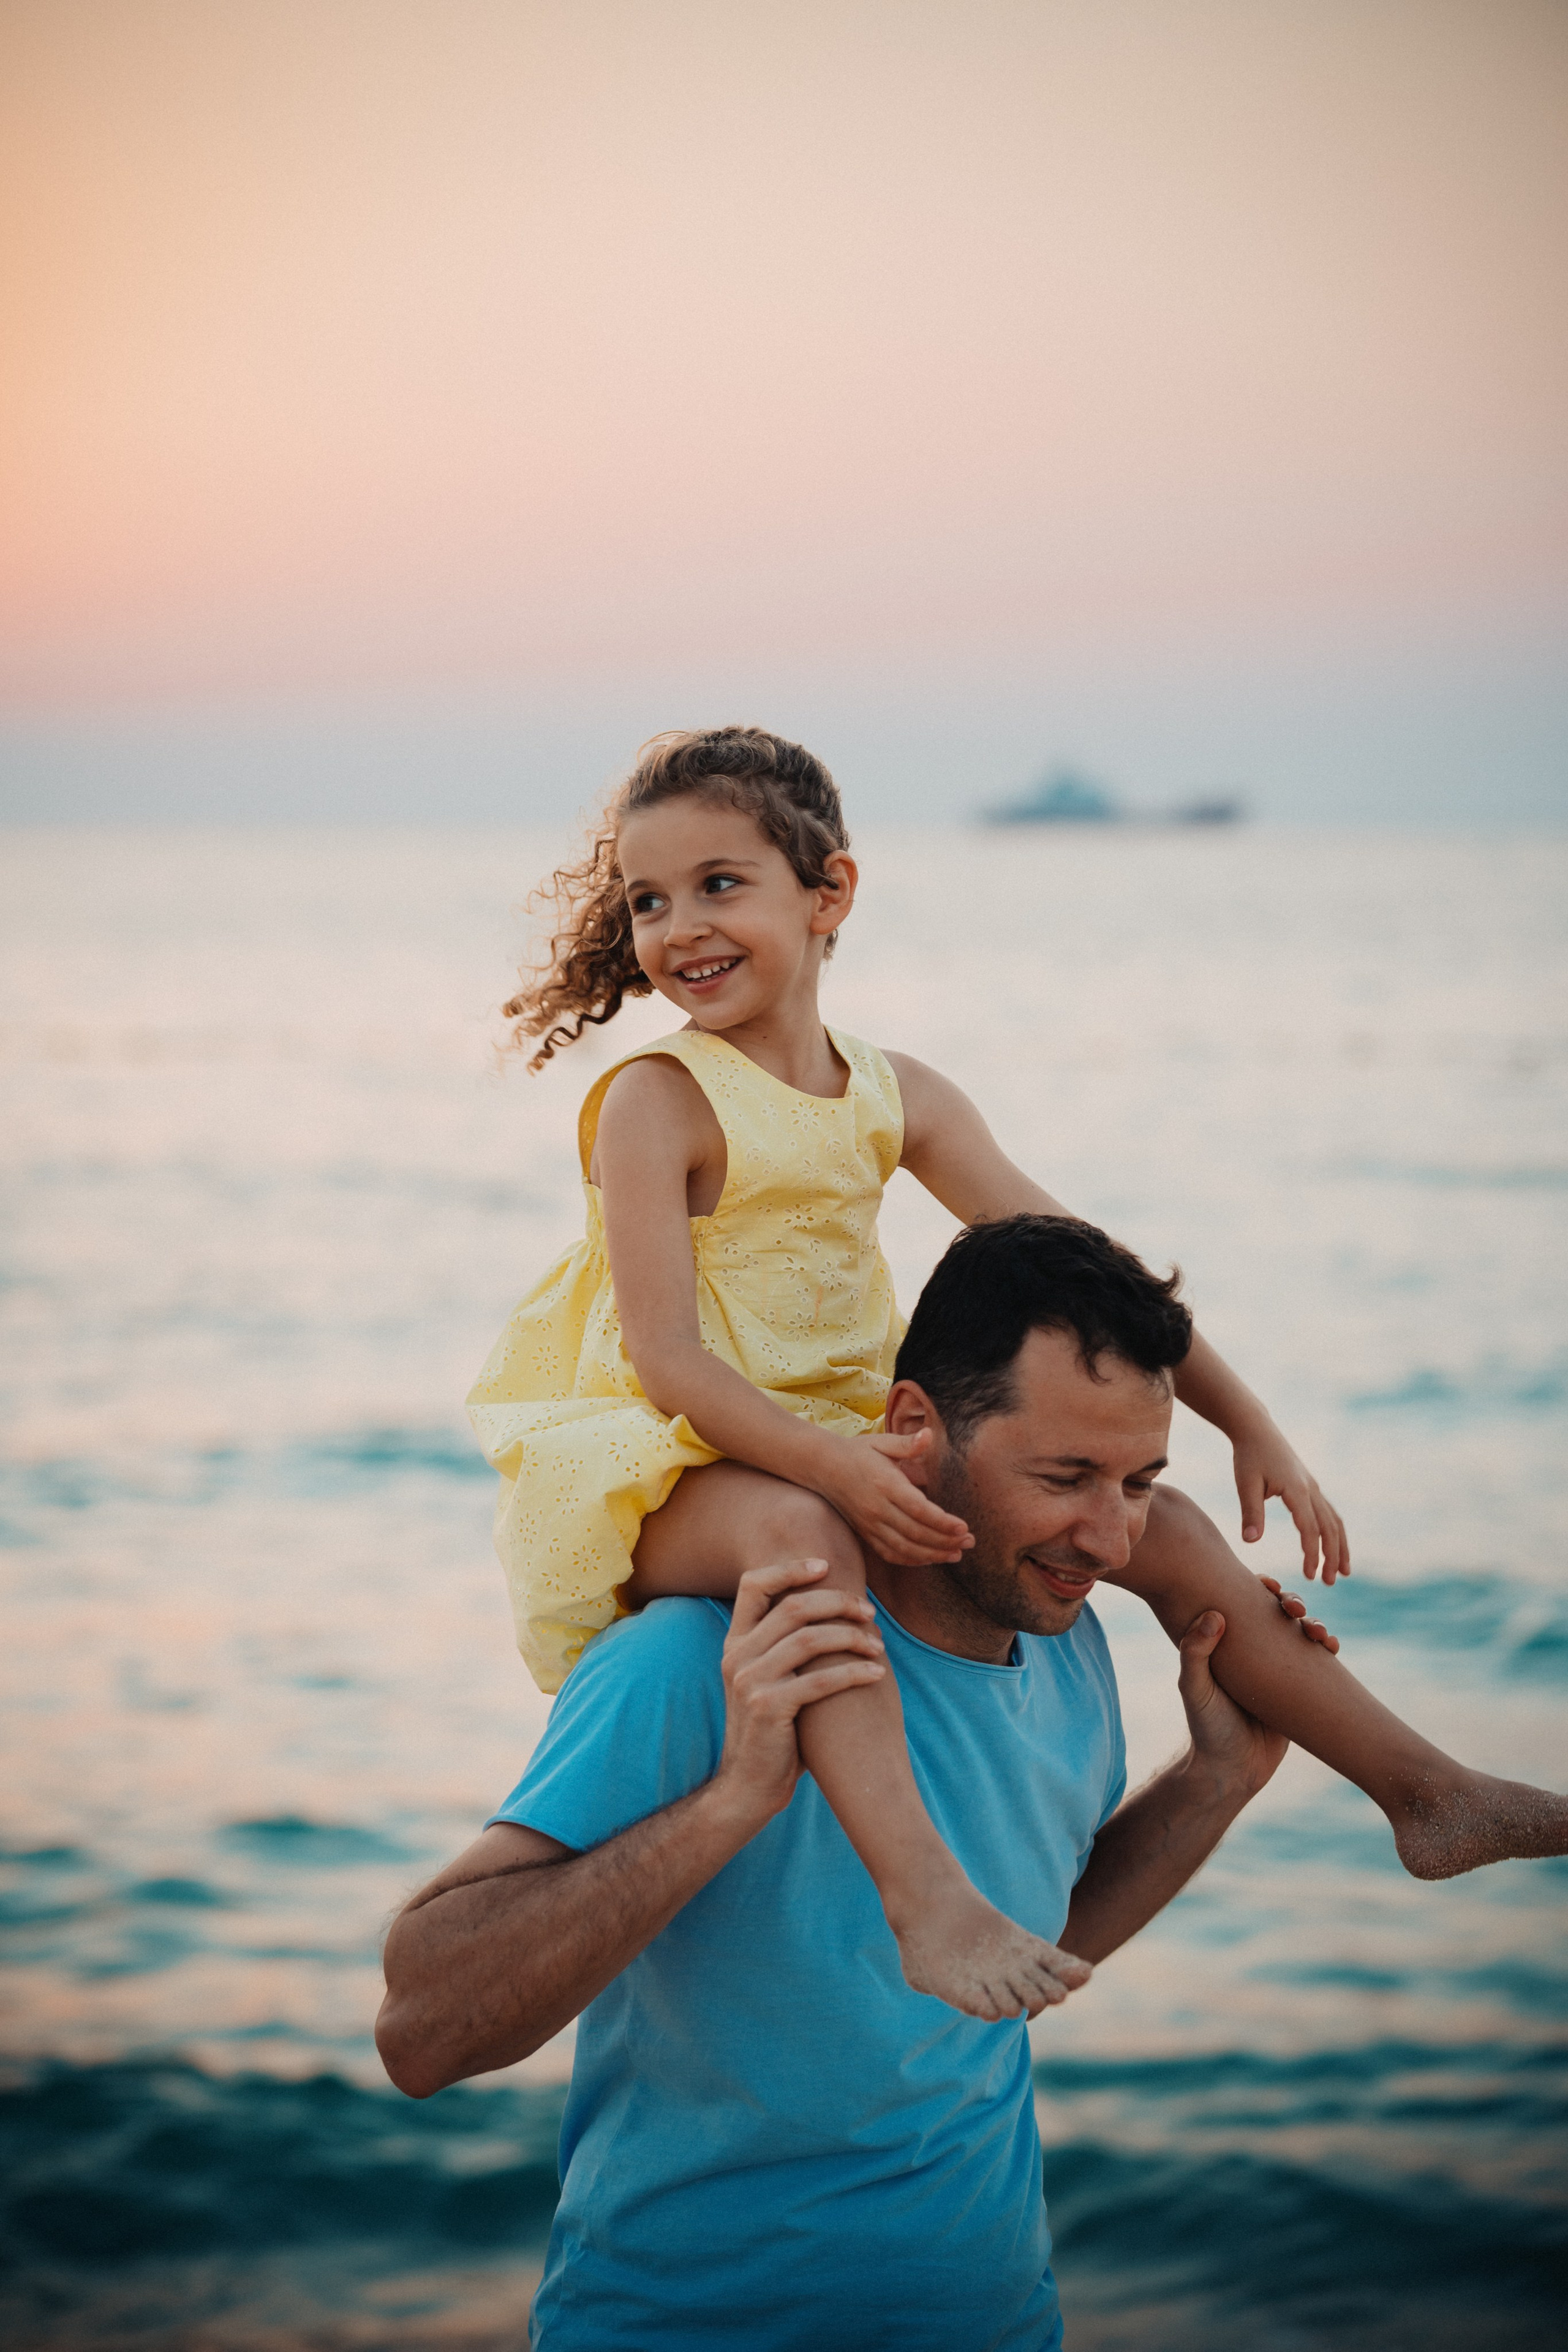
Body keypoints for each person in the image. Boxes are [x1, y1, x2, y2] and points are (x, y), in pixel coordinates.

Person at [467, 726, 1568, 2021]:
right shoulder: (660, 1099)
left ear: (827, 895)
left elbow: (1079, 1264)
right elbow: (664, 1363)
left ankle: (1425, 1792)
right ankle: (922, 1895)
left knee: (1173, 1532)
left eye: (719, 884)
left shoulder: (894, 1094)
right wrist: (832, 1465)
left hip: (829, 1433)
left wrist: (1245, 1420)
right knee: (806, 1527)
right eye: (646, 901)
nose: (676, 928)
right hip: (662, 1460)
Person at [380, 1218, 1291, 2348]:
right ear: (915, 1427)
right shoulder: (697, 1658)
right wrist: (732, 1801)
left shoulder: (1068, 1650)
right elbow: (421, 2032)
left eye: (1141, 1483)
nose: (1108, 1537)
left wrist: (1215, 1783)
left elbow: (1009, 1962)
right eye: (1066, 1478)